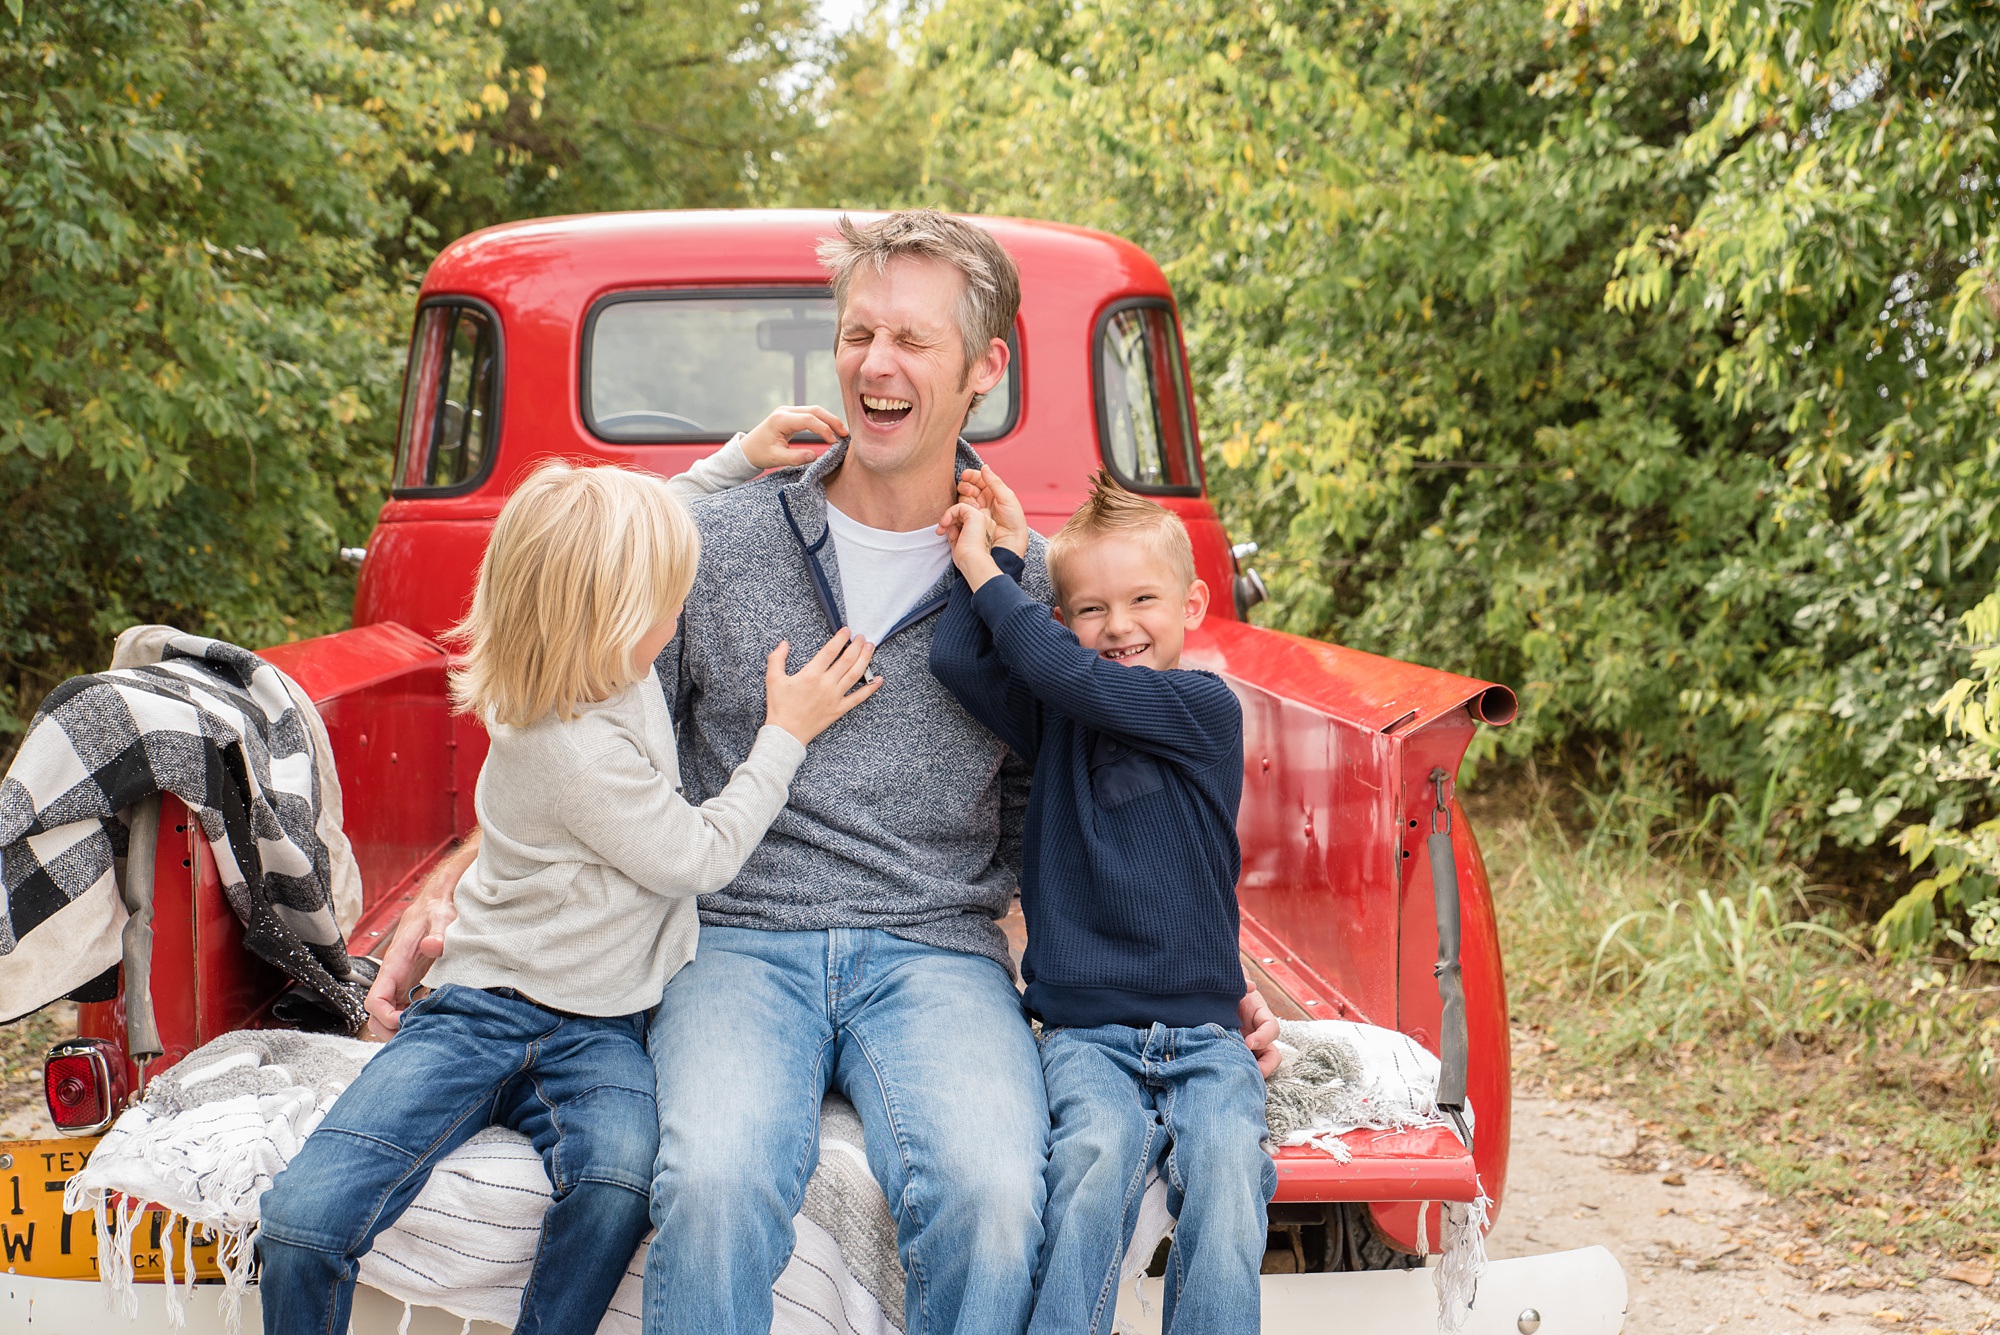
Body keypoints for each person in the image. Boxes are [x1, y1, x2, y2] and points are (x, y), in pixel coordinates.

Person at [363, 210, 1279, 1335]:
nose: (874, 364)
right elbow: (580, 738)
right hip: (734, 936)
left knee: (996, 1198)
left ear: (984, 368)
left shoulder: (1036, 589)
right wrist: (460, 893)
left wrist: (1191, 982)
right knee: (711, 1187)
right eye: (857, 334)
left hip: (938, 948)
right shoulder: (715, 543)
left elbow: (1096, 806)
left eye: (912, 340)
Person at [258, 416, 880, 1335]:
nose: (681, 610)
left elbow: (646, 523)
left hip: (598, 1028)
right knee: (306, 1218)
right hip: (480, 1012)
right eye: (667, 601)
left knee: (617, 1178)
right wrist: (783, 734)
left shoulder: (600, 665)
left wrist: (739, 457)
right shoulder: (572, 748)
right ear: (613, 618)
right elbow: (700, 855)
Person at [930, 469, 1275, 1335]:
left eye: (1143, 599)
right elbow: (959, 659)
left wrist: (986, 570)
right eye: (1091, 609)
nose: (1119, 626)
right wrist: (1004, 553)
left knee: (1230, 1171)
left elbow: (1070, 673)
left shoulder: (1203, 707)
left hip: (1206, 1037)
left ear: (1193, 605)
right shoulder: (1059, 716)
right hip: (1084, 1036)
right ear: (1061, 618)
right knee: (1091, 1162)